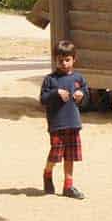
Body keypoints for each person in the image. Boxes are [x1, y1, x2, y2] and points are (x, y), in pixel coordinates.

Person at [40, 39, 88, 199]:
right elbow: (43, 99)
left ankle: (68, 185)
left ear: (74, 59)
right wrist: (55, 93)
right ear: (55, 60)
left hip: (73, 123)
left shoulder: (79, 79)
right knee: (55, 154)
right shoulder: (50, 79)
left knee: (70, 156)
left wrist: (82, 96)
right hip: (57, 124)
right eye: (60, 60)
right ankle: (48, 173)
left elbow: (86, 99)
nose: (64, 63)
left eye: (67, 60)